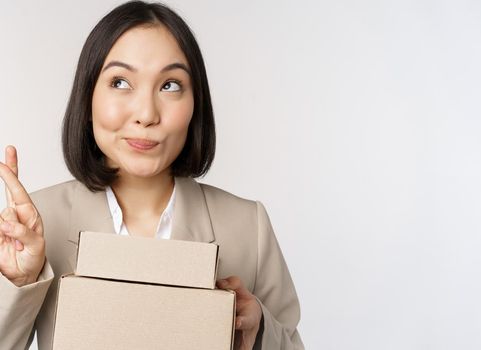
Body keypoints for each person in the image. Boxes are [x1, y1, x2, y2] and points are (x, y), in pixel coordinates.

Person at [0, 1, 304, 349]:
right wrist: (19, 281)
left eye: (170, 85)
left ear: (196, 105)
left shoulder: (249, 226)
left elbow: (292, 342)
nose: (146, 114)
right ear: (87, 99)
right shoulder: (40, 223)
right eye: (120, 82)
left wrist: (258, 328)